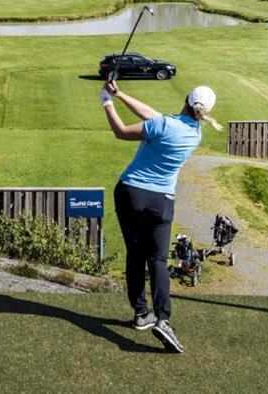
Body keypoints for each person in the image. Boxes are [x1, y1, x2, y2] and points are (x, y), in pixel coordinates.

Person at [99, 81, 220, 353]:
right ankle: (163, 319)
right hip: (162, 202)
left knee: (135, 253)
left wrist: (107, 102)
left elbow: (120, 131)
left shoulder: (163, 125)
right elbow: (152, 115)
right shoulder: (195, 134)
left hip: (131, 192)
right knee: (158, 260)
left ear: (186, 100)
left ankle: (141, 314)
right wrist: (120, 94)